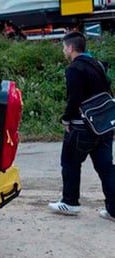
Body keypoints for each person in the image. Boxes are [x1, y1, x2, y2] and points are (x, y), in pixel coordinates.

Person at [48, 31, 115, 222]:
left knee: (70, 163)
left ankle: (70, 202)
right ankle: (113, 209)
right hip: (103, 125)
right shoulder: (99, 65)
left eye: (63, 47)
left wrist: (66, 119)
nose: (63, 51)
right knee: (105, 167)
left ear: (70, 48)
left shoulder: (74, 69)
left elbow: (74, 98)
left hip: (81, 126)